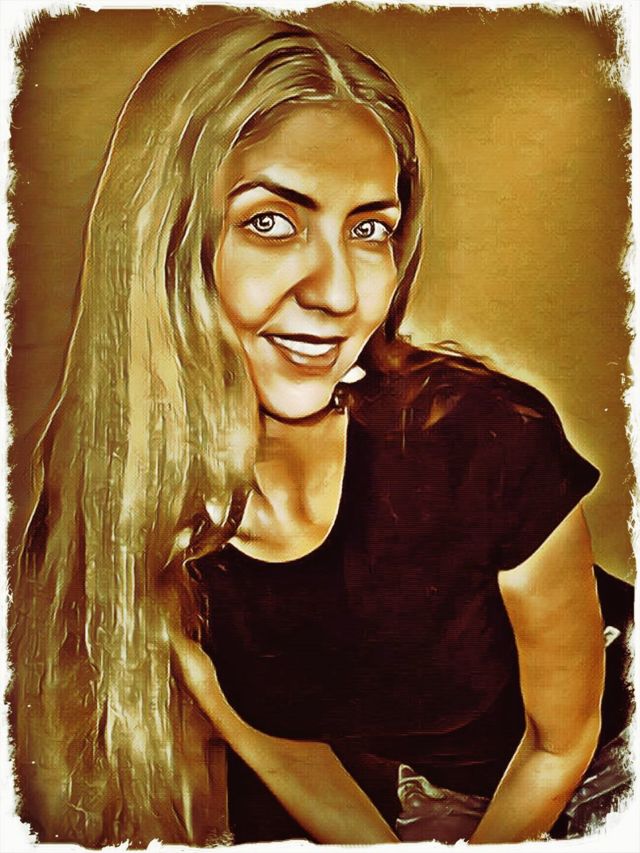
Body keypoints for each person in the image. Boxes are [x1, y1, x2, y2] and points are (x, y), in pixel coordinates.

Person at [9, 13, 630, 849]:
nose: (337, 294)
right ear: (165, 243)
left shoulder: (482, 436)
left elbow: (563, 740)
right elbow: (284, 748)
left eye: (370, 229)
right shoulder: (132, 503)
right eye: (271, 221)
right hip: (410, 801)